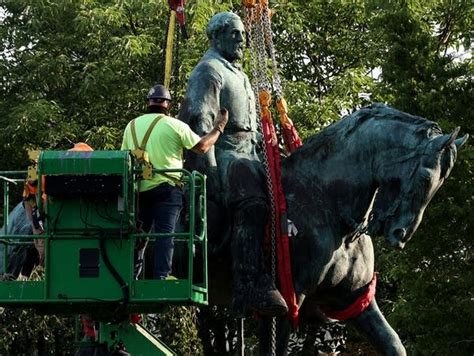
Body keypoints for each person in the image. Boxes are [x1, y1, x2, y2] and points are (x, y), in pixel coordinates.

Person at [178, 12, 288, 316]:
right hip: (224, 153)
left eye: (242, 33)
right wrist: (210, 170)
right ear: (216, 37)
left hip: (250, 151)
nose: (242, 39)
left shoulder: (237, 72)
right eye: (234, 33)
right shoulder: (210, 70)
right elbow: (200, 121)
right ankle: (247, 284)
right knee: (252, 203)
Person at [121, 84, 228, 280]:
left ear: (149, 103)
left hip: (139, 190)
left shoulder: (131, 126)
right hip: (166, 189)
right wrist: (219, 128)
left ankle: (130, 276)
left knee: (138, 235)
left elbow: (125, 160)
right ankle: (162, 275)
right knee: (165, 233)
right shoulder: (174, 125)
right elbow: (202, 147)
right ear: (167, 105)